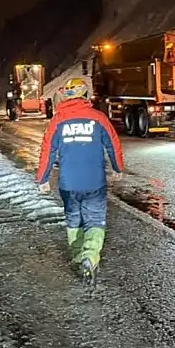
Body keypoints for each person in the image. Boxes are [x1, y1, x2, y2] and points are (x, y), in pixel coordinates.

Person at [36, 77, 124, 284]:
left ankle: (77, 257)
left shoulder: (57, 121)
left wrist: (42, 179)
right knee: (94, 219)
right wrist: (117, 168)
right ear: (85, 95)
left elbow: (47, 152)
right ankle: (90, 256)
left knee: (73, 219)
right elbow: (113, 144)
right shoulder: (98, 118)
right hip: (95, 182)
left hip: (69, 183)